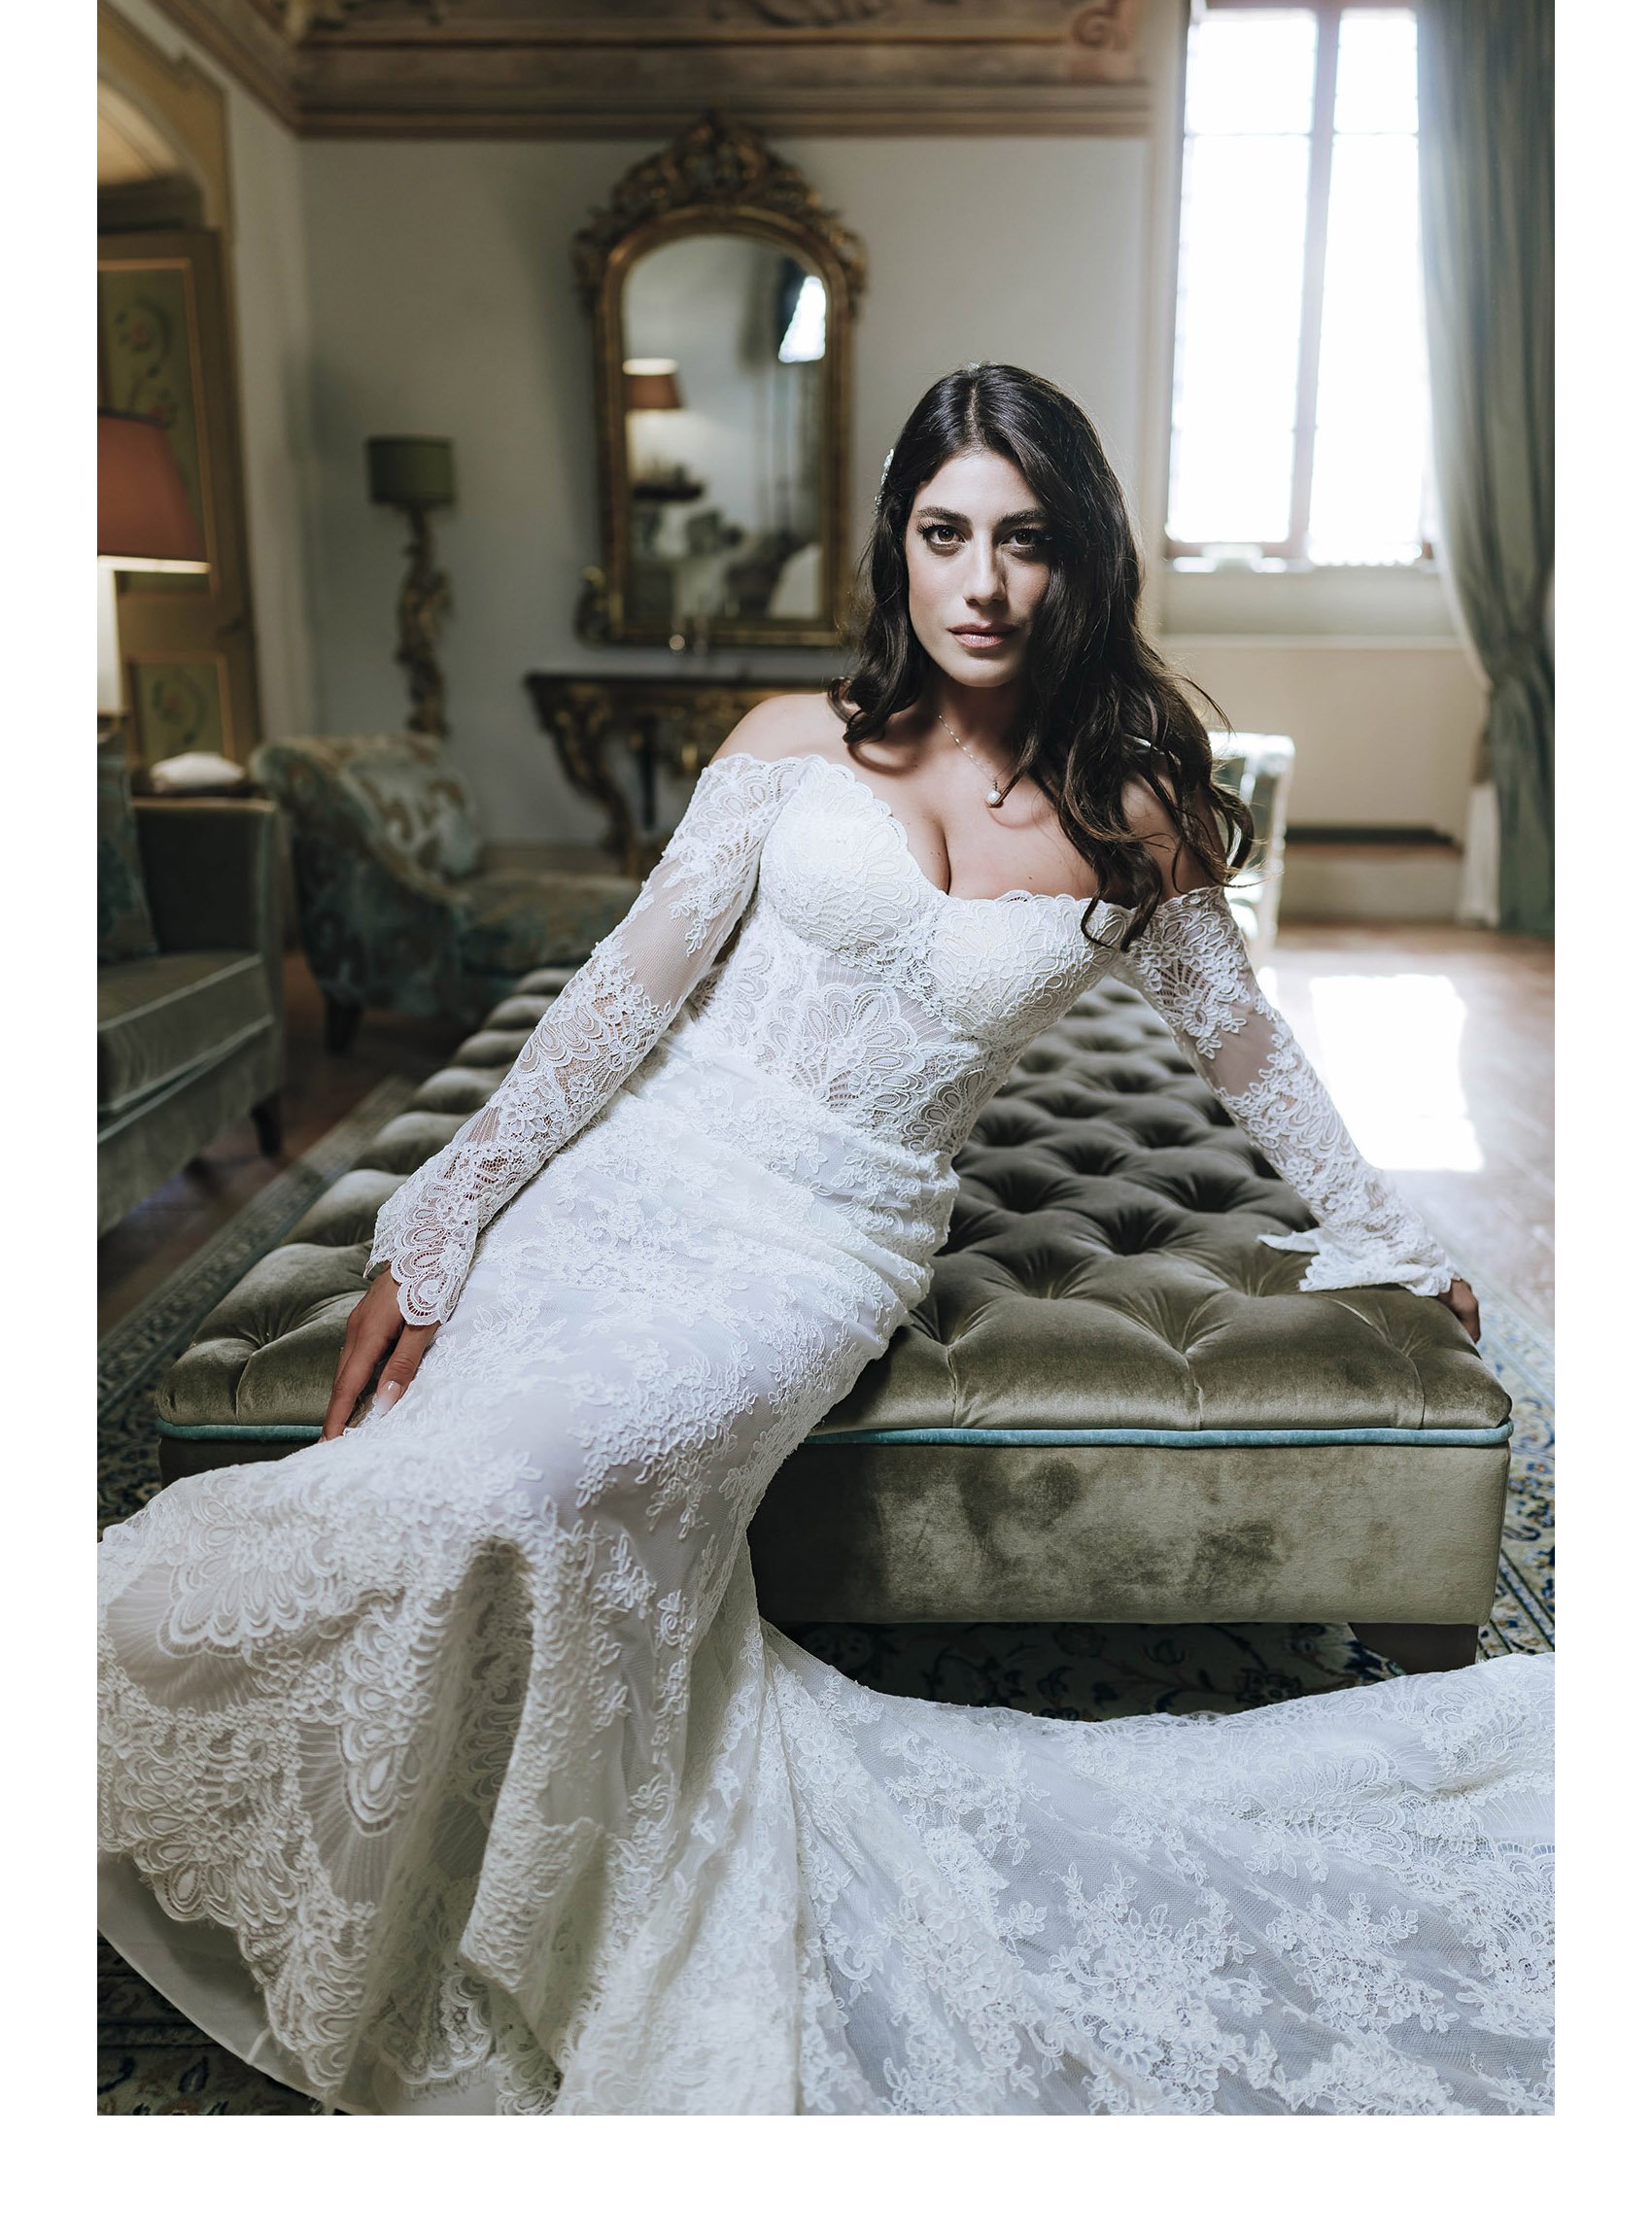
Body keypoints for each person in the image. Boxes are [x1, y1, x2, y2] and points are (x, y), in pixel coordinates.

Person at [98, 362, 1552, 2116]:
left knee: (543, 1479)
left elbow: (1252, 1059)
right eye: (947, 534)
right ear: (901, 549)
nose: (984, 583)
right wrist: (450, 1211)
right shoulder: (789, 745)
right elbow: (618, 1000)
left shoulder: (1128, 817)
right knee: (434, 1479)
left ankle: (492, 1878)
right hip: (644, 1174)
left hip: (821, 1253)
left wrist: (1392, 1232)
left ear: (1080, 563)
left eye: (1024, 541)